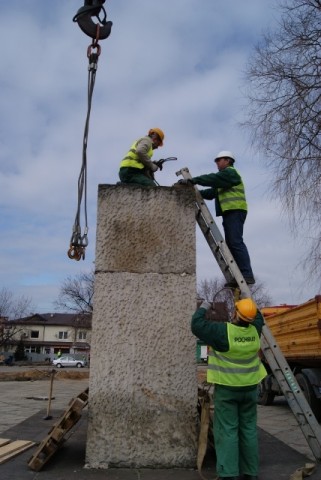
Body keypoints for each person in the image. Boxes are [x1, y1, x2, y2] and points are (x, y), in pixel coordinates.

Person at [191, 297, 267, 480]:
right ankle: (251, 472)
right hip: (249, 389)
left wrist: (205, 306)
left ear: (235, 314)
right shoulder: (255, 331)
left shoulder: (223, 332)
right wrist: (244, 298)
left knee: (227, 430)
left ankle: (228, 474)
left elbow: (196, 324)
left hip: (227, 390)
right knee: (248, 429)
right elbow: (259, 317)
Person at [177, 151, 255, 286]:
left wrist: (193, 180)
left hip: (235, 210)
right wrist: (193, 193)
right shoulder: (223, 180)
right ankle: (238, 276)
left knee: (236, 242)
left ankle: (247, 274)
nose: (217, 163)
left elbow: (212, 178)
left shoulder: (230, 173)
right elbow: (211, 192)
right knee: (231, 244)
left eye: (219, 160)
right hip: (229, 212)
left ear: (228, 161)